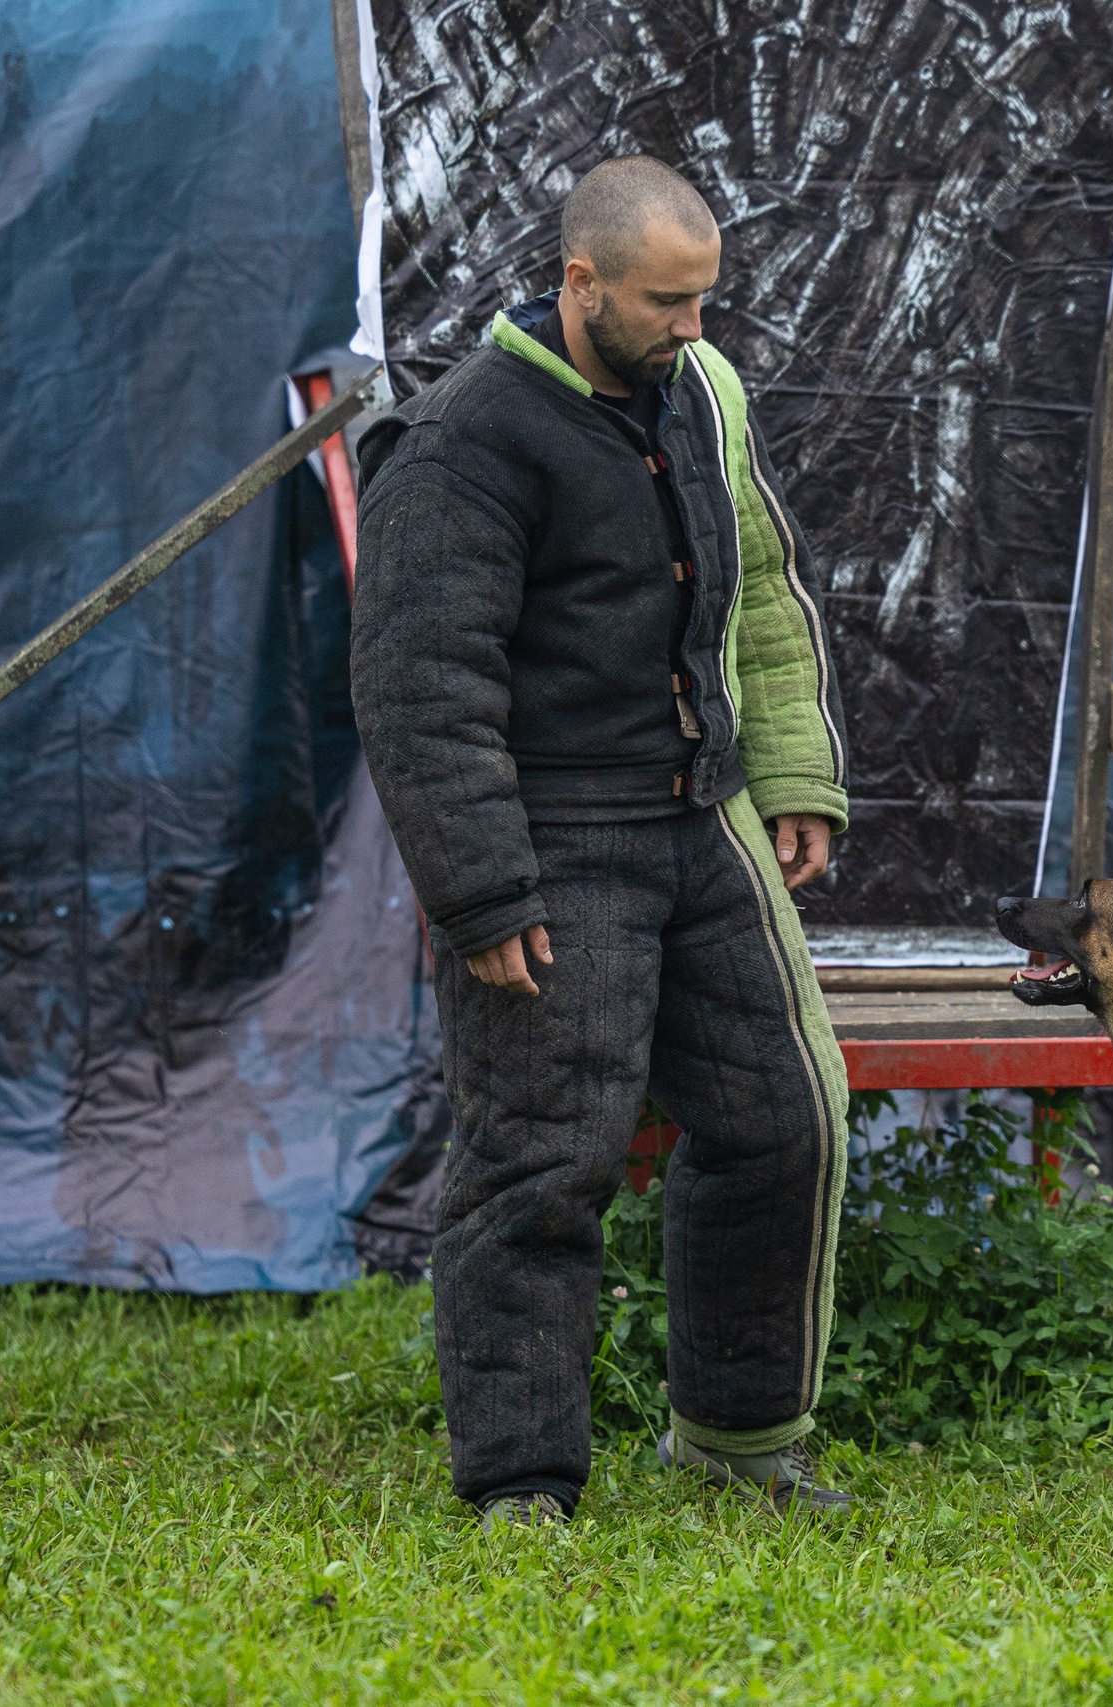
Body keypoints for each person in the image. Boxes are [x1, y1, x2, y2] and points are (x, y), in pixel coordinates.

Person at [350, 157, 854, 1525]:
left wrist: (796, 773)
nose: (694, 326)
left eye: (706, 298)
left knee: (782, 1121)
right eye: (666, 302)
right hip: (551, 841)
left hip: (706, 821)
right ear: (580, 283)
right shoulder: (462, 441)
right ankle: (522, 1485)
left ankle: (742, 1447)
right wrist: (481, 890)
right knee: (543, 1158)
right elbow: (420, 685)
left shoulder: (702, 388)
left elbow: (759, 580)